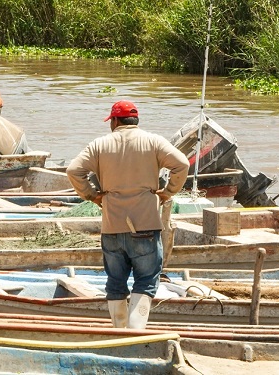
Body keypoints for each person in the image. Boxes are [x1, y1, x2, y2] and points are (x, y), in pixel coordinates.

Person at [66, 100, 189, 329]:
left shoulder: (99, 145)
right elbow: (181, 164)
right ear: (136, 120)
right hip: (146, 226)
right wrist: (167, 192)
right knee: (145, 281)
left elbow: (73, 171)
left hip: (112, 227)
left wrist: (92, 195)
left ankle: (119, 331)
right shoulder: (153, 141)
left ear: (114, 121)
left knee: (115, 282)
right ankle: (135, 332)